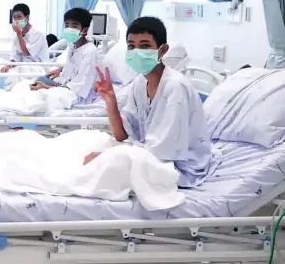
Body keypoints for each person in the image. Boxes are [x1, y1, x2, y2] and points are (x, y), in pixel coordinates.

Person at [84, 16, 221, 188]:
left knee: (100, 165)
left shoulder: (174, 87)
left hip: (179, 166)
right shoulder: (140, 83)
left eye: (145, 46)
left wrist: (109, 157)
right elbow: (121, 135)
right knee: (87, 145)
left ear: (162, 50)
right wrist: (110, 100)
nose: (136, 51)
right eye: (131, 46)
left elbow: (162, 153)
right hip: (151, 155)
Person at [29, 8, 99, 105]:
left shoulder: (90, 51)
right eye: (67, 25)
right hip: (63, 85)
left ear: (85, 30)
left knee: (40, 98)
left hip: (74, 94)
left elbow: (79, 87)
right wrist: (60, 70)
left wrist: (46, 87)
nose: (69, 29)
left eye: (74, 26)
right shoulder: (72, 46)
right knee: (35, 83)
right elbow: (73, 66)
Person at [1, 3, 49, 73]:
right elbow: (14, 57)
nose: (16, 20)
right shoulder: (16, 38)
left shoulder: (38, 35)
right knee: (1, 69)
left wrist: (19, 33)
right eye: (14, 17)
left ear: (27, 18)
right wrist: (9, 65)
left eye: (19, 17)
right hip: (22, 67)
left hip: (37, 69)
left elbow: (26, 53)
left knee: (11, 77)